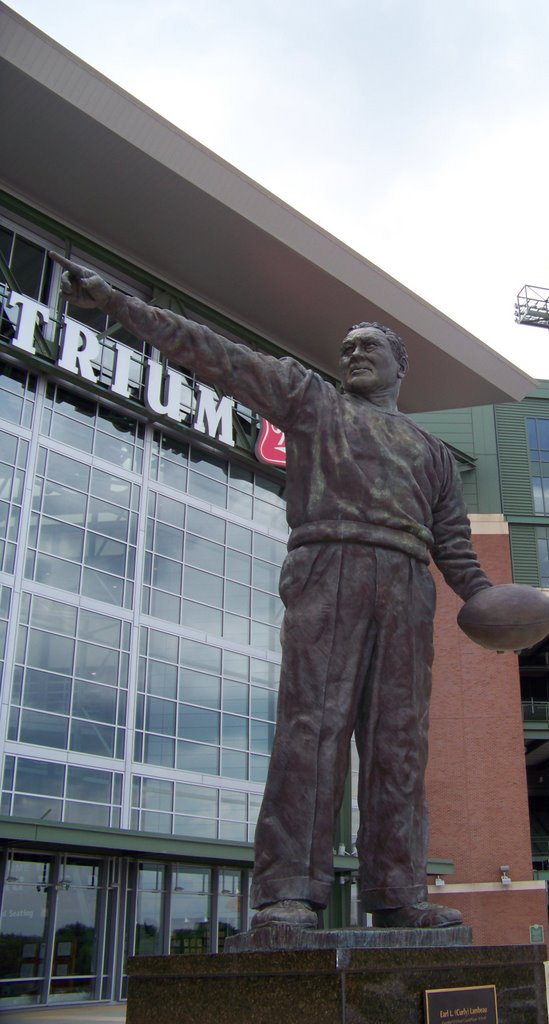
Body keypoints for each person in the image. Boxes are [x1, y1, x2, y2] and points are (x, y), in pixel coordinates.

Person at [50, 253, 494, 930]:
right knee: (310, 730)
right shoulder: (312, 401)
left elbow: (454, 546)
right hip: (329, 568)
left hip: (406, 584)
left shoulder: (431, 453)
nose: (352, 353)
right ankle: (290, 889)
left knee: (399, 741)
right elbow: (215, 354)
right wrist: (119, 304)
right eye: (345, 347)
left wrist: (486, 598)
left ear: (400, 365)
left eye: (368, 346)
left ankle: (399, 892)